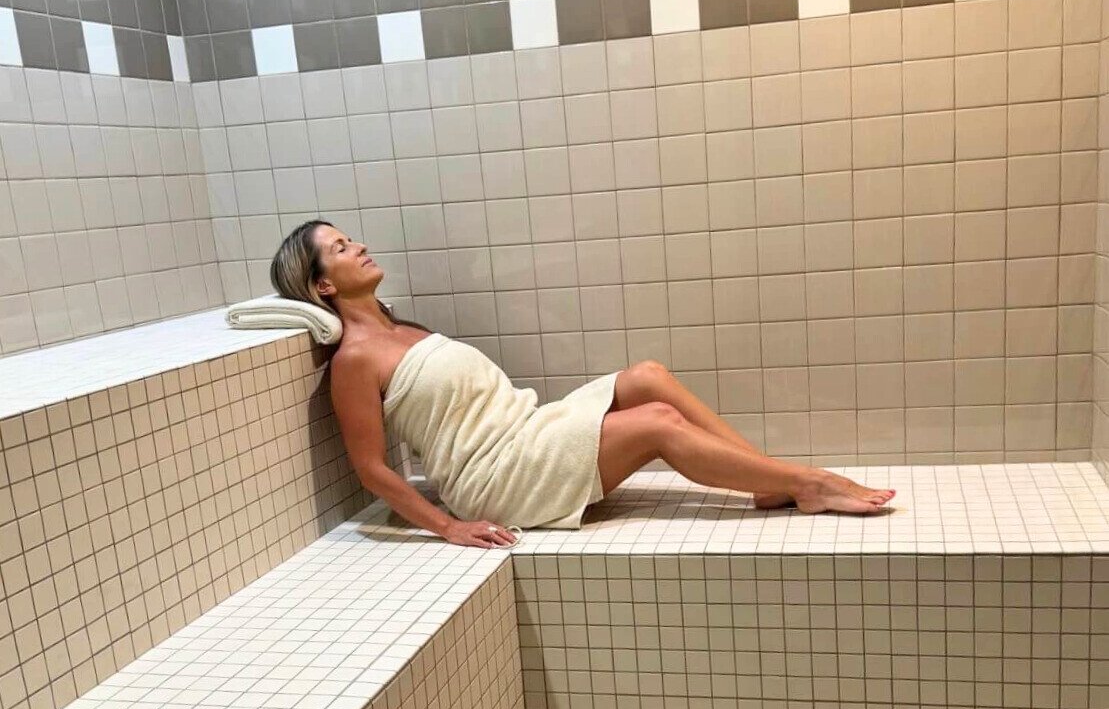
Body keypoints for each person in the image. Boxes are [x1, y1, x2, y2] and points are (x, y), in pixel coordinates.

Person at [270, 220, 894, 549]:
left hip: (527, 432)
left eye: (352, 239)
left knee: (647, 377)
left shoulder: (402, 329)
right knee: (657, 426)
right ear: (323, 285)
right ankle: (807, 485)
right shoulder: (353, 360)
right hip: (498, 476)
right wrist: (449, 526)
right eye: (342, 248)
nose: (360, 248)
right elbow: (371, 468)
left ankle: (765, 479)